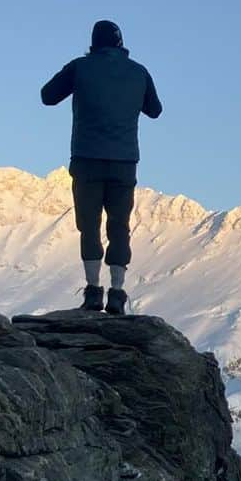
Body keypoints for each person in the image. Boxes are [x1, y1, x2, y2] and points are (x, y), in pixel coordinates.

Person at [41, 20, 162, 314]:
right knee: (119, 227)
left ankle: (93, 292)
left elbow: (48, 96)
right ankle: (117, 294)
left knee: (89, 225)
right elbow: (155, 110)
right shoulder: (139, 72)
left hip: (86, 158)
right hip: (124, 163)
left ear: (94, 43)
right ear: (121, 43)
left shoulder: (80, 67)